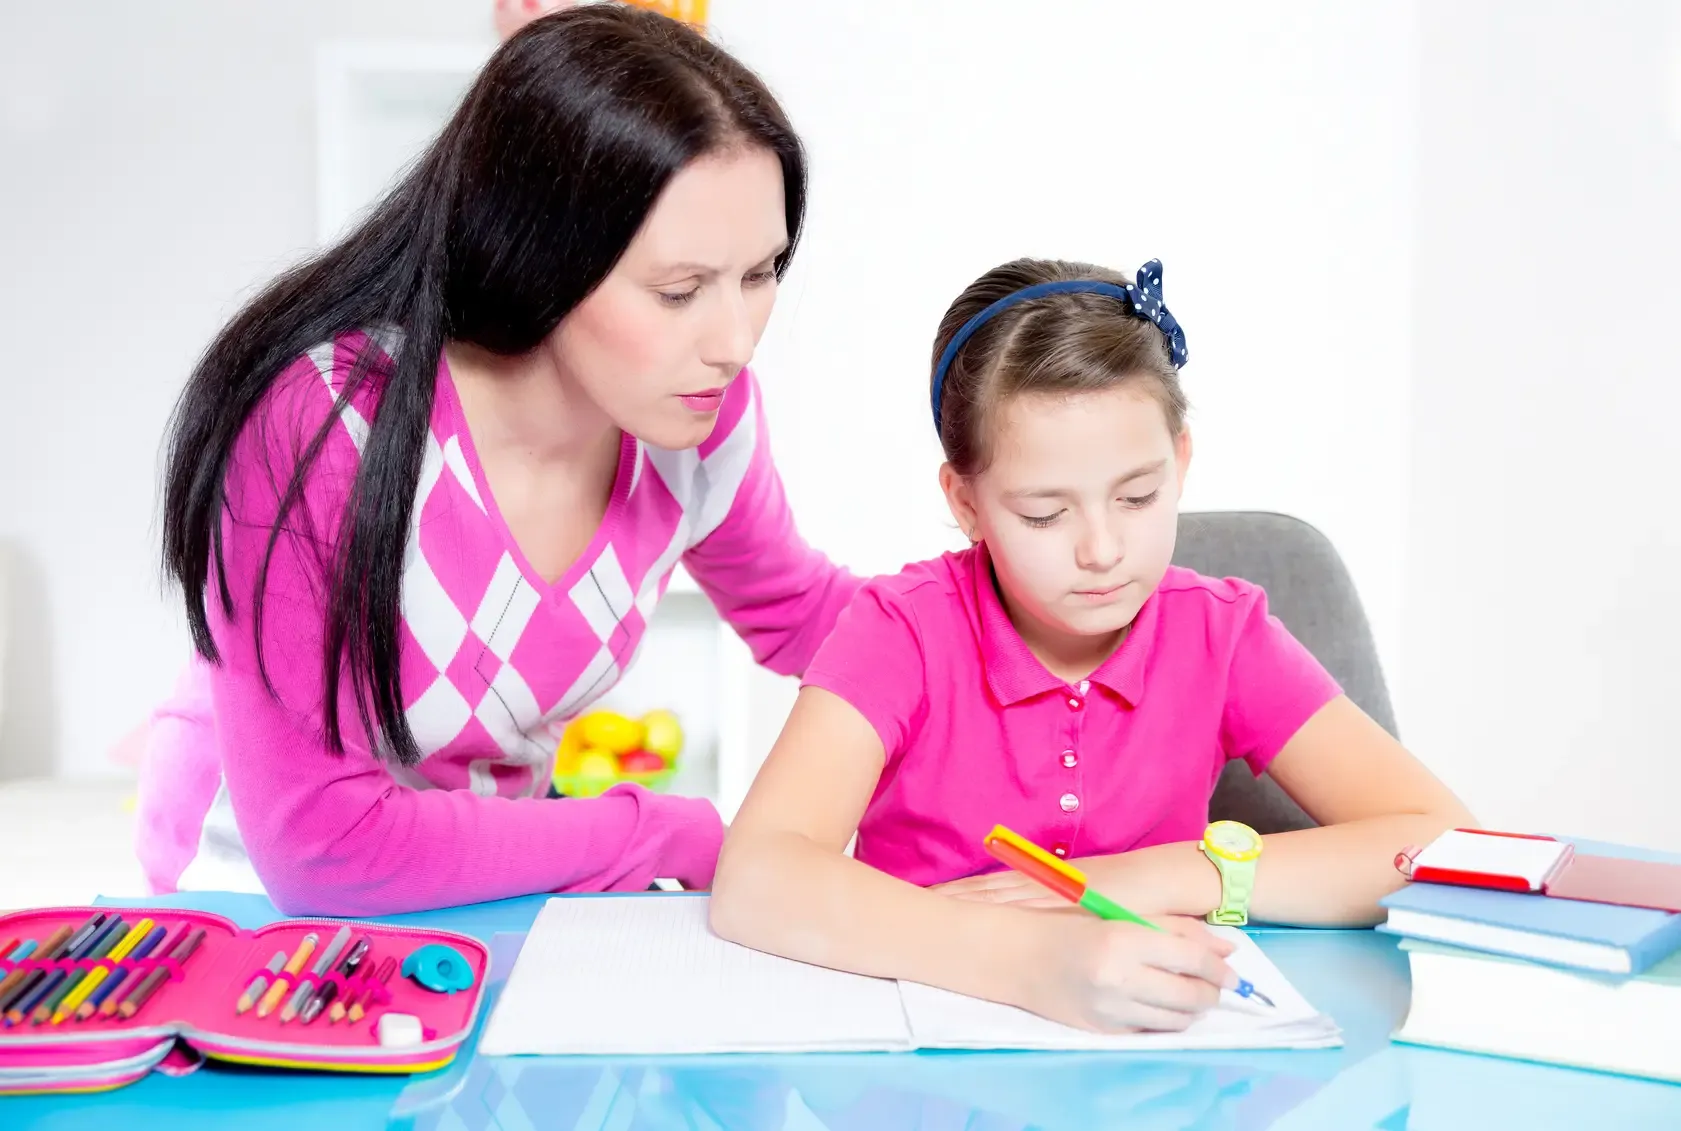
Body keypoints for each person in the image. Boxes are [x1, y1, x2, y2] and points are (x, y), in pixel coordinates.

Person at [137, 5, 858, 915]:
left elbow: (803, 612)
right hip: (256, 899)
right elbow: (321, 843)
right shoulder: (321, 427)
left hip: (488, 874)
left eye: (761, 274)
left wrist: (1040, 638)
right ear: (539, 256)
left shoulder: (699, 420)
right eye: (680, 291)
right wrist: (657, 831)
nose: (735, 340)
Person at [710, 256, 1474, 1034]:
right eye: (1044, 514)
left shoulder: (1220, 633)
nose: (1102, 549)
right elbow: (756, 876)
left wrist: (1154, 876)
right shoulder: (900, 628)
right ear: (965, 502)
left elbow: (1443, 842)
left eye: (1138, 496)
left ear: (1179, 461)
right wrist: (1032, 958)